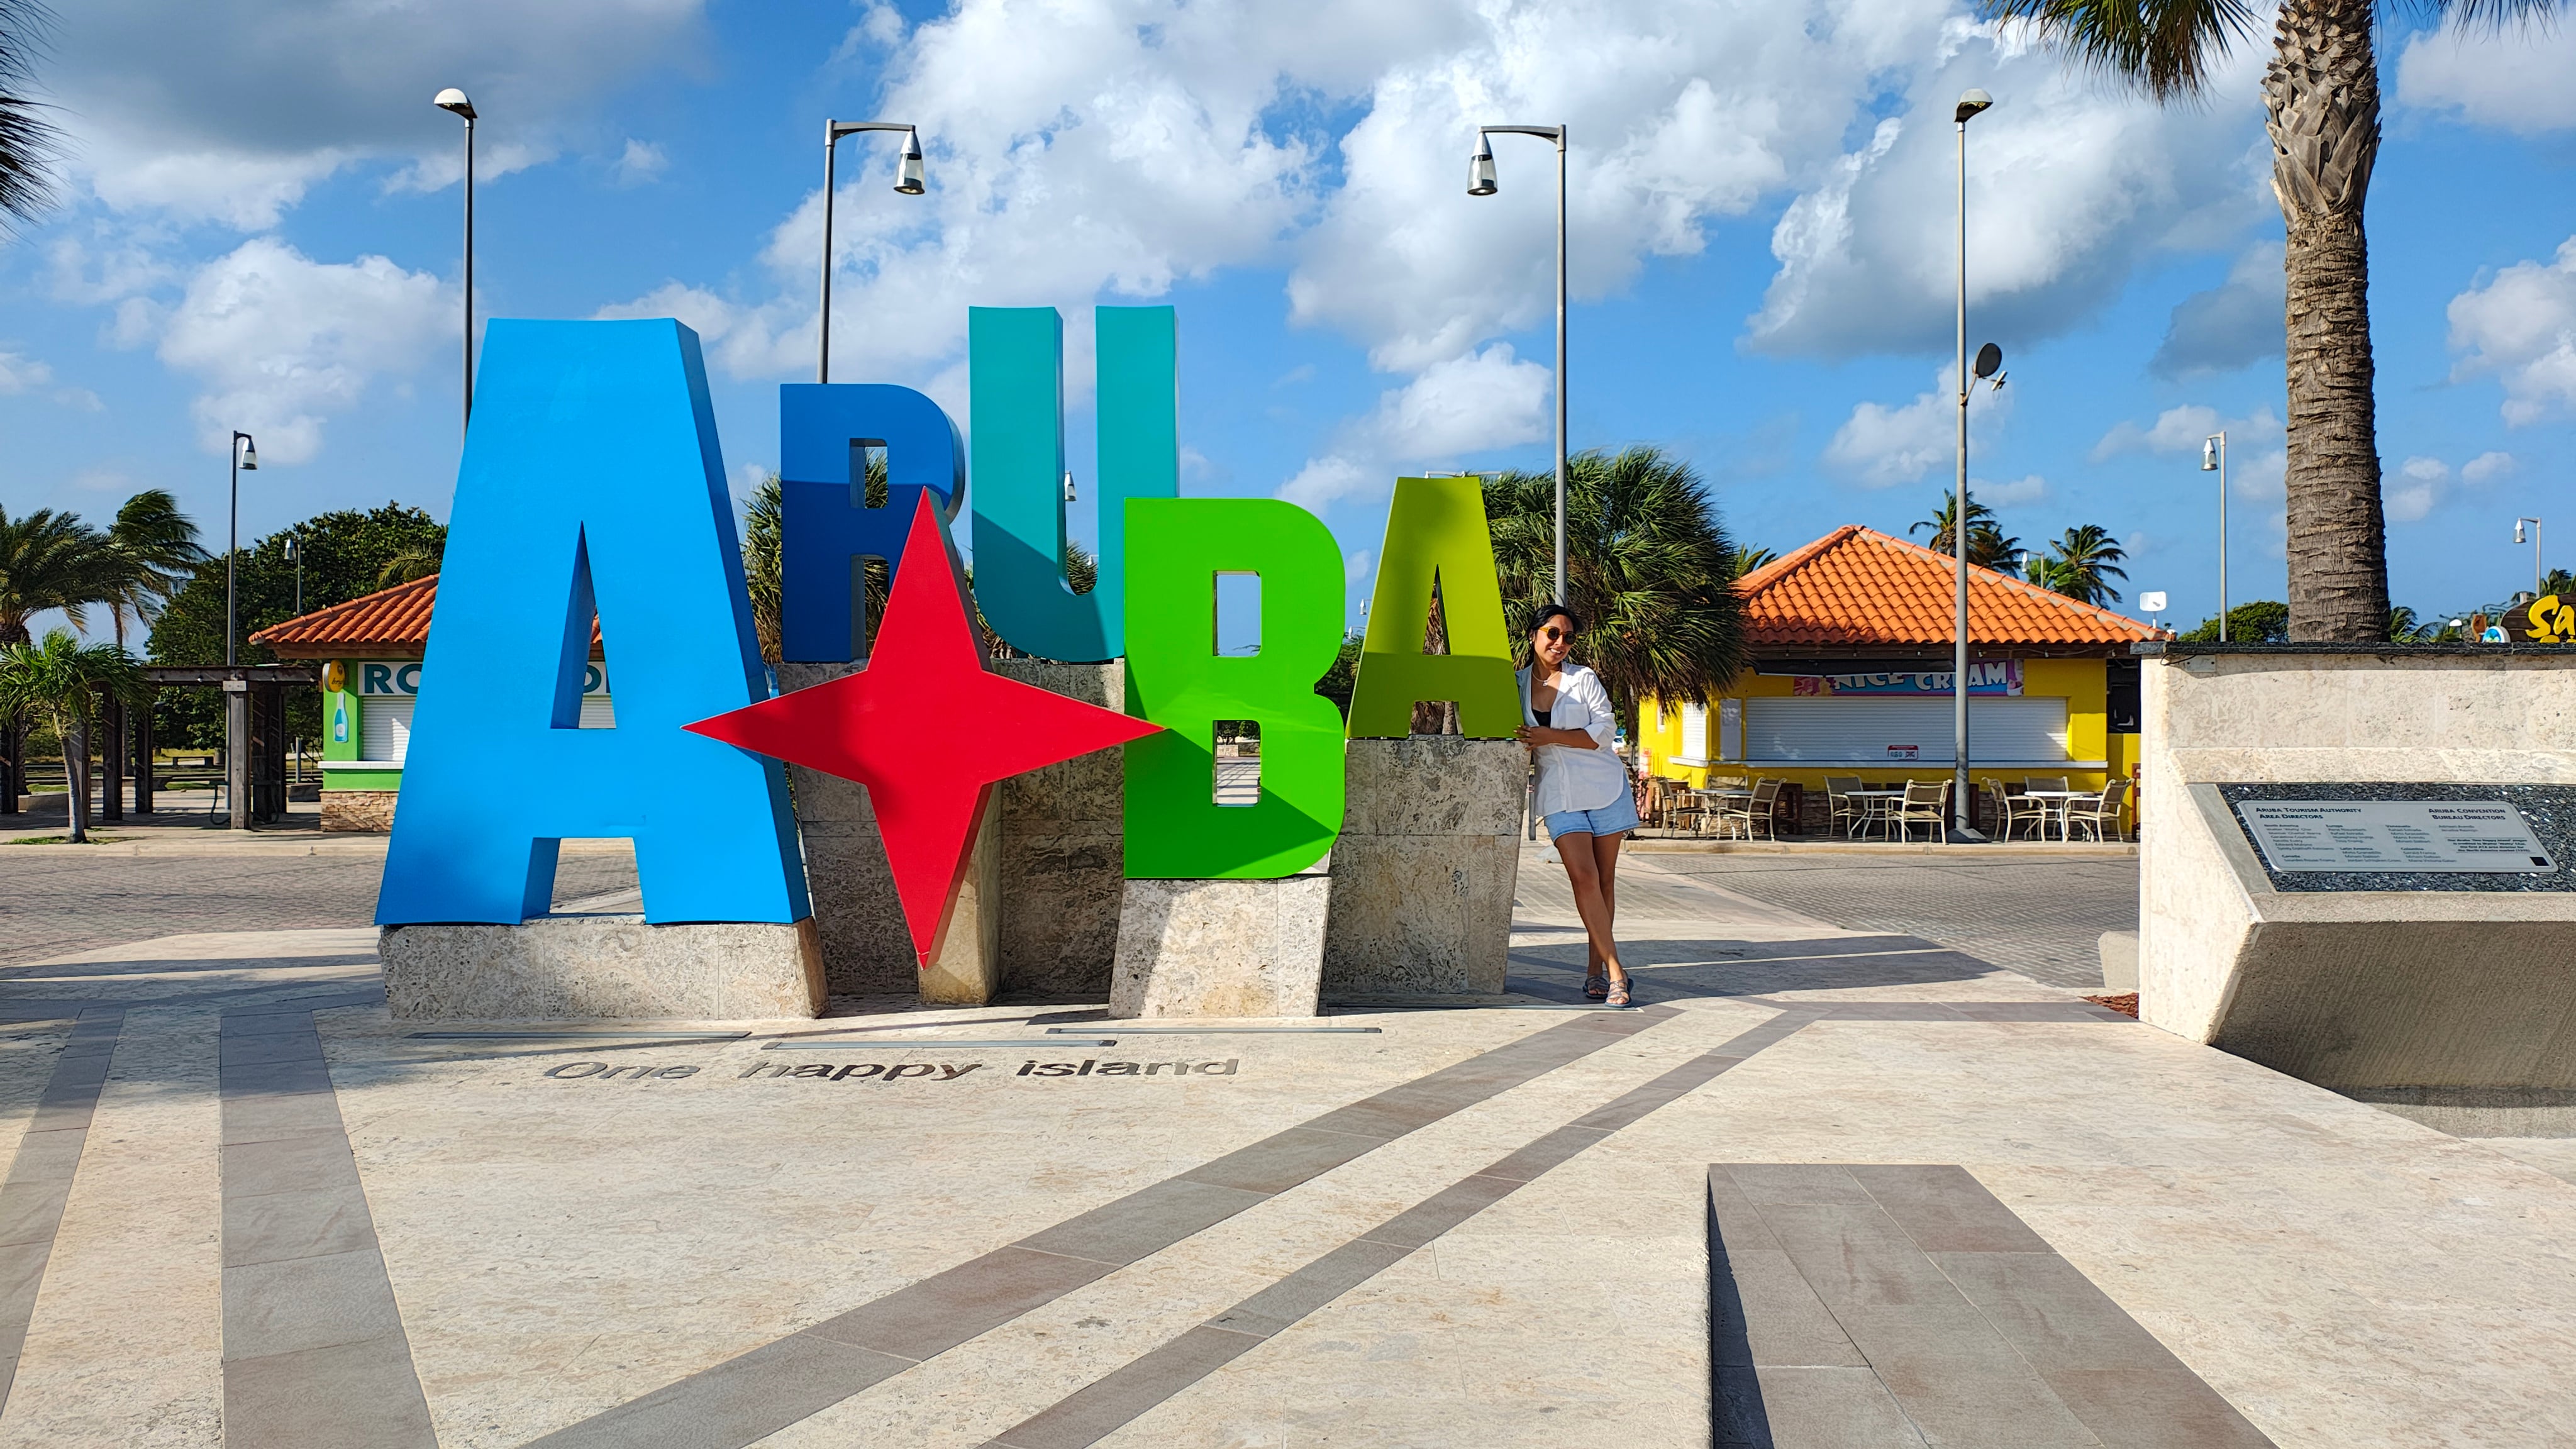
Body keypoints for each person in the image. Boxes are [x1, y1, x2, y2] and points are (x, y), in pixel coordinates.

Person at [1514, 604, 1638, 1006]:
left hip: (1604, 787)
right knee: (1583, 879)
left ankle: (1595, 971)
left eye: (1568, 637)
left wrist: (1548, 735)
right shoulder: (1513, 684)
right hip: (1558, 793)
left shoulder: (1583, 679)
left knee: (1604, 882)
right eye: (1553, 633)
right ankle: (1618, 971)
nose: (1560, 643)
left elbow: (1602, 732)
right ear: (1534, 634)